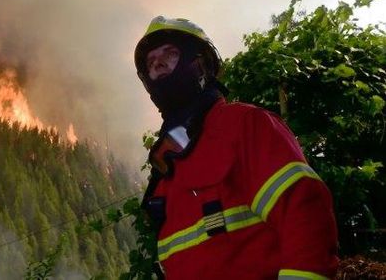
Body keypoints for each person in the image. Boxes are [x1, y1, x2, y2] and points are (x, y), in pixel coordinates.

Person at [134, 16, 339, 280]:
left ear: (201, 64)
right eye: (150, 63)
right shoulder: (168, 165)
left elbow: (306, 217)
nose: (158, 64)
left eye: (169, 54)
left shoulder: (244, 124)